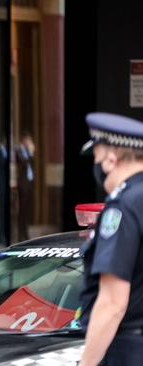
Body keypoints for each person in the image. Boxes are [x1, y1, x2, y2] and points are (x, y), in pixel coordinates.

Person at [79, 112, 143, 365]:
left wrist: (86, 363)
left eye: (96, 157)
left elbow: (113, 302)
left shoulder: (124, 205)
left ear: (110, 158)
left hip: (130, 350)